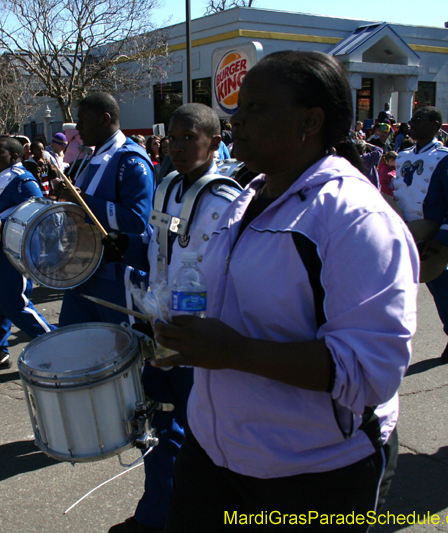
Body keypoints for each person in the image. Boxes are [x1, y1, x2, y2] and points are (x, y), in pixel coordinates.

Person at [152, 51, 417, 531]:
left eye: (256, 108)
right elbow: (232, 304)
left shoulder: (356, 220)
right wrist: (186, 341)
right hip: (213, 452)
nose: (236, 121)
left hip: (312, 472)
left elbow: (370, 372)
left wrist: (234, 352)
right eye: (237, 107)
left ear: (309, 122)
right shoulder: (248, 197)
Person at [108, 103, 241, 533]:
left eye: (190, 138)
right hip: (160, 322)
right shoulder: (166, 185)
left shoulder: (223, 198)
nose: (178, 147)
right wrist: (124, 244)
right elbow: (156, 248)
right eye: (173, 139)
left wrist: (177, 333)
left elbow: (214, 274)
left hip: (193, 332)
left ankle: (168, 516)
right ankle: (162, 509)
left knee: (190, 429)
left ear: (215, 142)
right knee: (161, 422)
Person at [57, 92, 154, 327]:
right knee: (73, 341)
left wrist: (83, 201)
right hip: (83, 269)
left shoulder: (131, 160)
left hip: (116, 273)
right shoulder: (93, 155)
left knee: (122, 350)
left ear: (104, 119)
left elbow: (137, 219)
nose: (78, 127)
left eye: (83, 119)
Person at [0, 138, 54, 373]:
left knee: (16, 305)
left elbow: (39, 209)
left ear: (15, 157)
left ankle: (56, 343)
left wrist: (3, 221)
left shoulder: (23, 180)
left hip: (11, 252)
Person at [395, 106, 448, 362]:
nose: (411, 124)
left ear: (436, 125)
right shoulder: (402, 156)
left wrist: (442, 241)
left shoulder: (447, 159)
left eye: (418, 120)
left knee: (441, 289)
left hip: (431, 237)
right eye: (412, 119)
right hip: (404, 235)